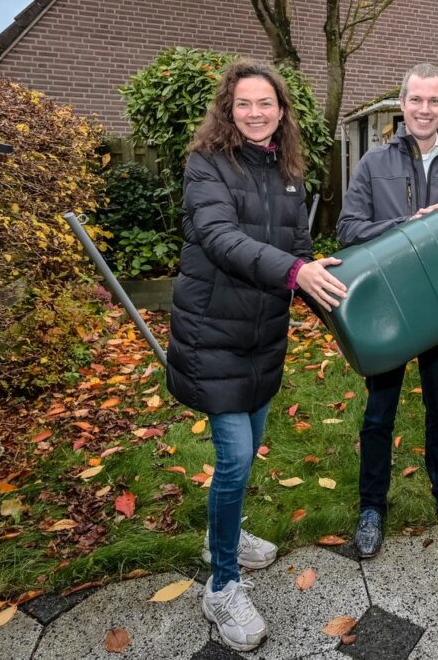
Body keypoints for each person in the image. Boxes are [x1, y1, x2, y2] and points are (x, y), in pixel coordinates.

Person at [166, 60, 347, 651]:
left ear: (281, 110)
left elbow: (299, 248)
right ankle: (221, 586)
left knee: (244, 457)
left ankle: (227, 532)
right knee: (237, 457)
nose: (255, 113)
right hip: (212, 333)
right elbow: (220, 238)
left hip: (264, 335)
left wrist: (327, 287)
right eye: (244, 103)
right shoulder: (206, 165)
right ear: (228, 108)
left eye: (266, 103)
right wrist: (296, 271)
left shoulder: (287, 169)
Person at [337, 63, 438, 557]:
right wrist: (408, 224)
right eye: (417, 100)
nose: (425, 110)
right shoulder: (372, 163)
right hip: (391, 308)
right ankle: (371, 507)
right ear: (401, 105)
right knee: (380, 412)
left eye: (435, 101)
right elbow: (348, 228)